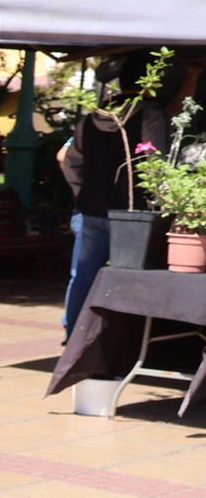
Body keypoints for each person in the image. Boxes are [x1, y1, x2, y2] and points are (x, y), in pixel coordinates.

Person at [61, 51, 174, 340]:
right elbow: (154, 164)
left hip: (91, 210)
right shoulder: (149, 113)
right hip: (131, 215)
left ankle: (74, 337)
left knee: (82, 278)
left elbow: (69, 160)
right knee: (128, 280)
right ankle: (117, 347)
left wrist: (82, 192)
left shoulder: (93, 116)